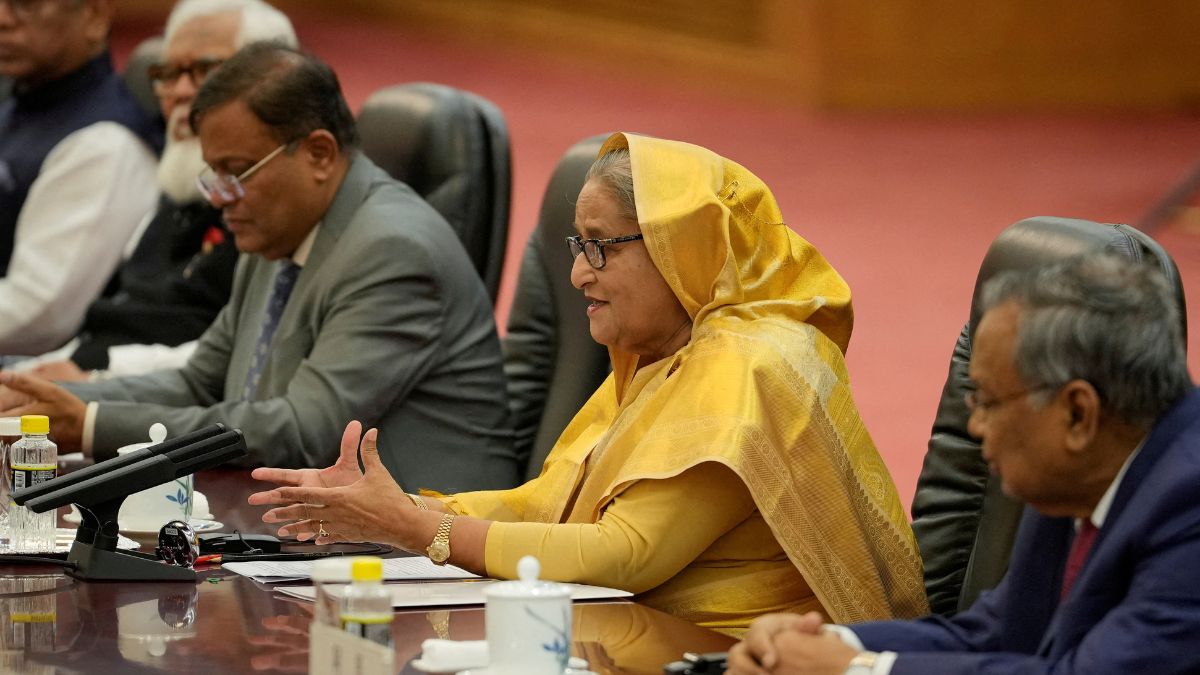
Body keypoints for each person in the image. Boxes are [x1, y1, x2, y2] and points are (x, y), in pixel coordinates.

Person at [248, 133, 929, 636]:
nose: (579, 275)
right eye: (577, 247)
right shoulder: (661, 351)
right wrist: (397, 506)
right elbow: (552, 503)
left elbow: (622, 553)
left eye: (601, 246)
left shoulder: (749, 364)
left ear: (679, 243)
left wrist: (419, 527)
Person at [0, 43, 520, 493]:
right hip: (312, 521)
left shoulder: (394, 250)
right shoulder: (275, 232)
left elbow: (304, 430)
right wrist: (46, 403)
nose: (221, 199)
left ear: (319, 153)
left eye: (236, 172)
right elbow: (202, 383)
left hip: (429, 549)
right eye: (214, 175)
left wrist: (89, 423)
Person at [727, 253, 1199, 674]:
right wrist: (824, 644)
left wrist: (861, 670)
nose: (974, 427)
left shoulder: (1189, 505)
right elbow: (996, 634)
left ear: (1077, 413)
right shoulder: (1080, 472)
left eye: (988, 402)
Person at [21, 0, 296, 381]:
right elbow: (120, 313)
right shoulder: (178, 181)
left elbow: (243, 356)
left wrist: (95, 380)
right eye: (169, 74)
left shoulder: (277, 204)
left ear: (273, 83)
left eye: (205, 71)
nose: (181, 91)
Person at [0, 0, 161, 355]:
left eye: (24, 4)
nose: (3, 19)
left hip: (36, 385)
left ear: (94, 16)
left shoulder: (104, 142)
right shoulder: (20, 106)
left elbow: (38, 315)